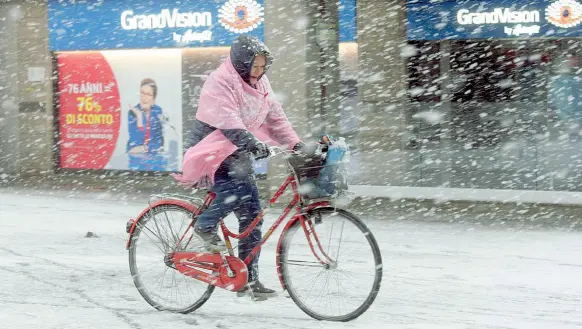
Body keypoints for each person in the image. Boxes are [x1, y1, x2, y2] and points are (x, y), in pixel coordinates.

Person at [173, 35, 310, 299]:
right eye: (254, 67)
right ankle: (204, 224)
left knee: (253, 215)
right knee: (237, 190)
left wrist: (296, 144)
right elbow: (228, 119)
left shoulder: (261, 83)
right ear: (241, 63)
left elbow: (276, 118)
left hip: (237, 151)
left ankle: (248, 279)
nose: (258, 72)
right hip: (211, 149)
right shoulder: (220, 81)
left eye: (262, 67)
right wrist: (252, 143)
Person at [126, 78, 166, 170]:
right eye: (142, 93)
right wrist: (139, 118)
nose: (144, 97)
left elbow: (159, 143)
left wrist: (145, 148)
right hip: (135, 163)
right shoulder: (132, 113)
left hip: (155, 161)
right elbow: (134, 148)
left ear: (153, 99)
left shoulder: (157, 111)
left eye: (148, 94)